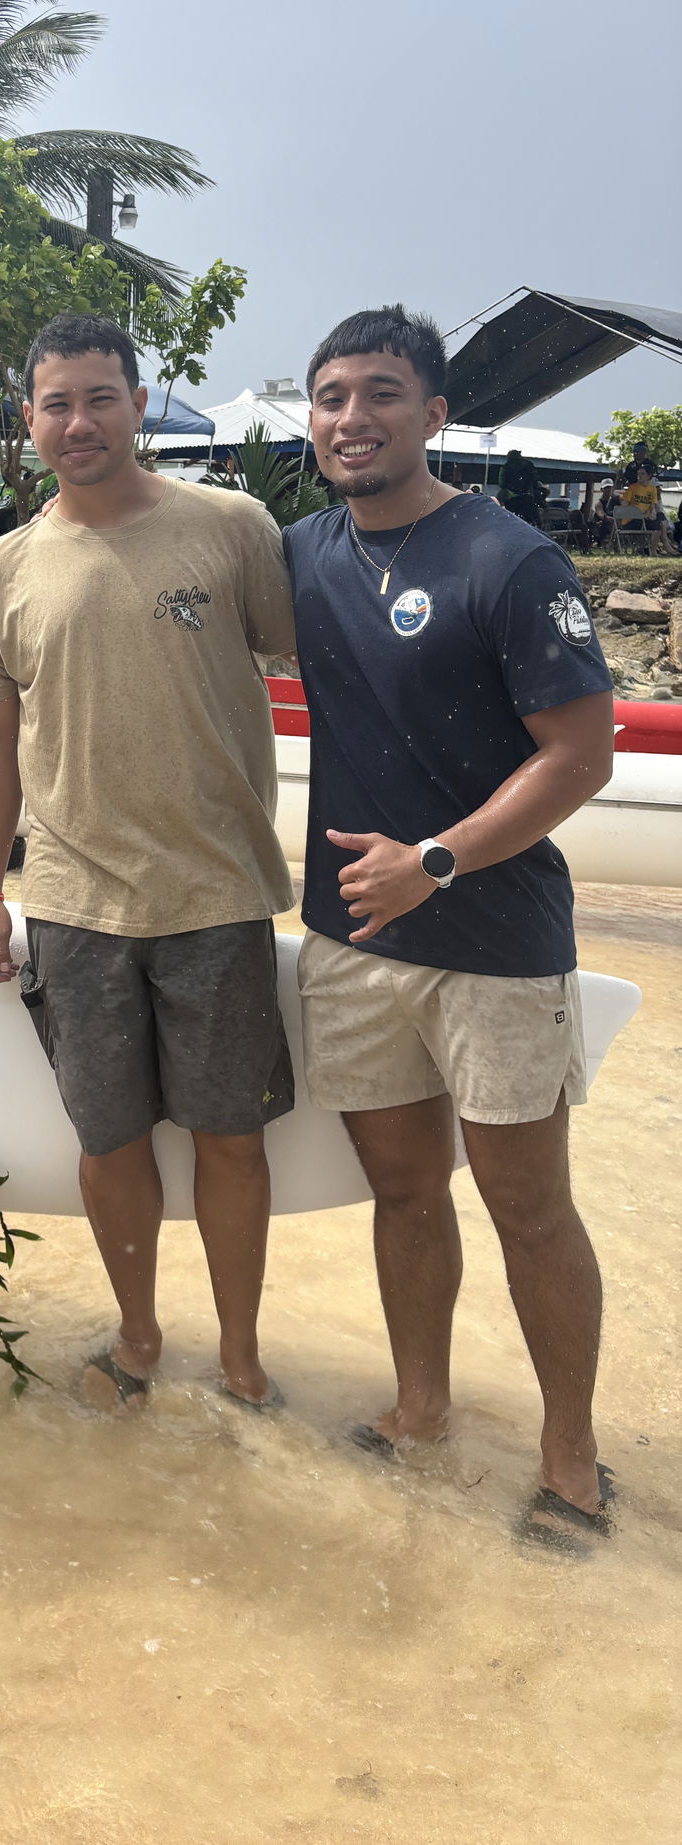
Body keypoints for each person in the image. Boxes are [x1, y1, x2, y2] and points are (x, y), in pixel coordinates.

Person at [286, 305, 616, 1547]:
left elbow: (580, 755)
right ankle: (420, 1407)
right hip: (353, 936)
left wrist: (436, 860)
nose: (351, 417)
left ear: (434, 415)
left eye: (379, 393)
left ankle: (572, 1457)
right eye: (329, 397)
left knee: (530, 1208)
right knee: (402, 1191)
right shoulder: (301, 552)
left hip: (493, 938)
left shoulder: (510, 559)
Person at [0, 313, 297, 1415]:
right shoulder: (0, 568)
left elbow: (320, 664)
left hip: (217, 890)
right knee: (107, 1143)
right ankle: (141, 1336)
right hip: (73, 900)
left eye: (99, 397)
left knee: (229, 1139)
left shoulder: (232, 524)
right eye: (55, 403)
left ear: (139, 404)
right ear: (27, 422)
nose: (79, 421)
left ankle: (243, 1352)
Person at [498, 448, 544, 527]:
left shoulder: (505, 467)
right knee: (529, 519)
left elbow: (501, 483)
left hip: (510, 497)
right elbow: (535, 479)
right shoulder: (528, 464)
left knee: (513, 519)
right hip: (527, 496)